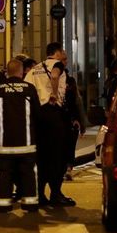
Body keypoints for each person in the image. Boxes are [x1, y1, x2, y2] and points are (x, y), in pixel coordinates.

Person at [24, 42, 75, 207]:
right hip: (53, 114)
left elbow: (27, 88)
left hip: (38, 116)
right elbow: (54, 76)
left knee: (41, 156)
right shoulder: (57, 64)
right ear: (57, 52)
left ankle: (40, 194)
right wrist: (53, 94)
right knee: (57, 156)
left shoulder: (35, 68)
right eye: (63, 51)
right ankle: (55, 193)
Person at [0, 59, 41, 212]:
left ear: (7, 72)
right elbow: (37, 114)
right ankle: (30, 203)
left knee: (4, 173)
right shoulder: (29, 89)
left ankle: (3, 204)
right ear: (21, 72)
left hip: (4, 143)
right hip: (26, 143)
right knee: (28, 172)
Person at [60, 52, 87, 181]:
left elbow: (76, 101)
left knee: (70, 146)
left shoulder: (70, 81)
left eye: (66, 59)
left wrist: (80, 121)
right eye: (63, 59)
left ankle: (68, 168)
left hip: (70, 121)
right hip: (58, 120)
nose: (66, 61)